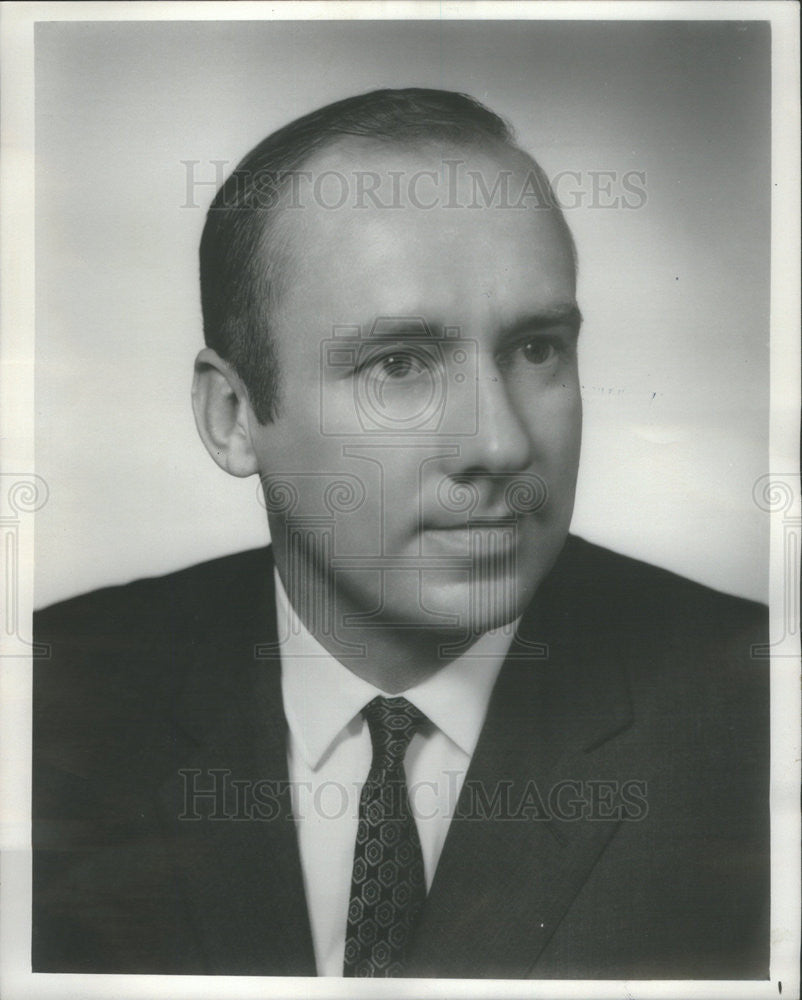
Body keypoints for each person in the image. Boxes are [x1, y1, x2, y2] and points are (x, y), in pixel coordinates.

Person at [32, 88, 769, 980]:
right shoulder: (52, 701)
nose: (499, 444)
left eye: (537, 348)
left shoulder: (758, 713)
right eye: (400, 365)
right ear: (232, 416)